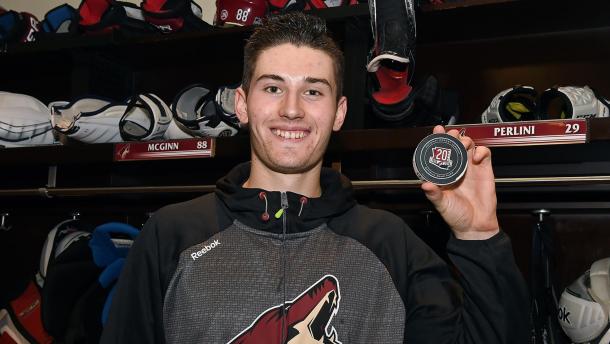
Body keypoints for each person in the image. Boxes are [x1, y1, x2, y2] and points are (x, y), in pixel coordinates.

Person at [101, 11, 529, 344]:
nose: (292, 109)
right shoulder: (171, 236)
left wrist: (480, 236)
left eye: (313, 90)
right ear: (242, 104)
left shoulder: (389, 244)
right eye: (272, 88)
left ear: (339, 111)